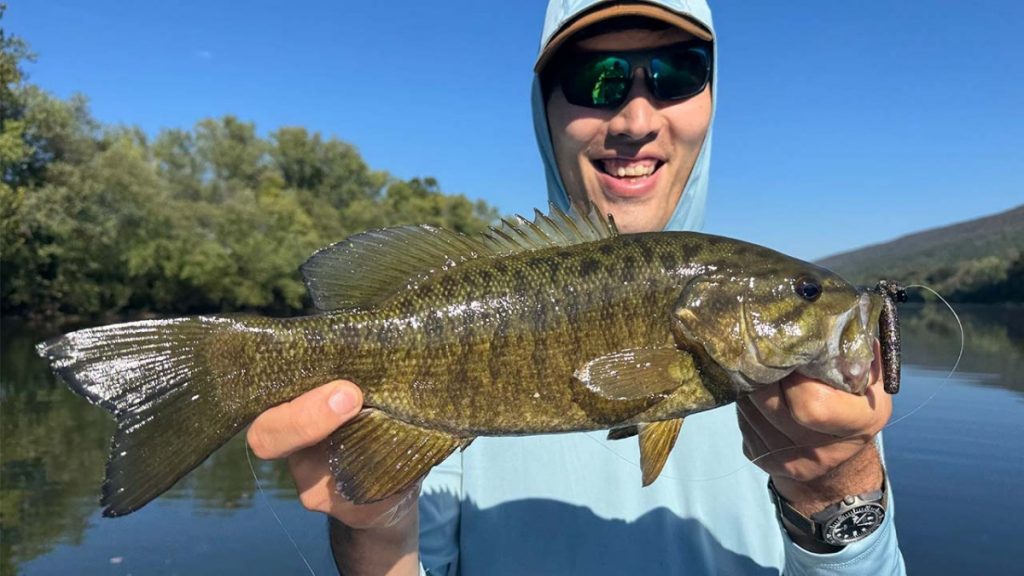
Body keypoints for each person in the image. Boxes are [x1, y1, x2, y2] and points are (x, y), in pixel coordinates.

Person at [246, 1, 906, 574]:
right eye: (597, 77)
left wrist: (840, 490)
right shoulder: (455, 353)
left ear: (712, 97)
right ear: (545, 109)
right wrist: (370, 531)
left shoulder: (817, 407)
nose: (636, 117)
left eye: (676, 72)